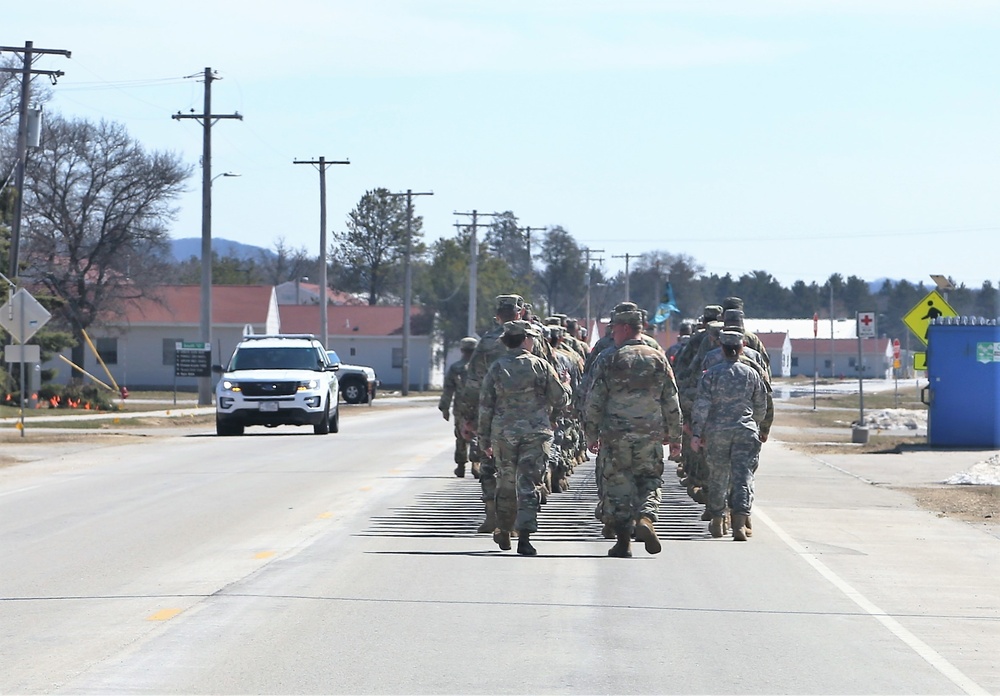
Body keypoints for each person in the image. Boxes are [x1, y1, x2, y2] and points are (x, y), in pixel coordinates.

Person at [584, 309, 683, 558]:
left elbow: (595, 400)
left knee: (619, 486)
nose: (612, 333)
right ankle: (647, 518)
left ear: (626, 328)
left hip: (616, 435)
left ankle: (623, 541)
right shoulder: (658, 358)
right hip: (649, 434)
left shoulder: (610, 358)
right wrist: (675, 436)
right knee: (649, 480)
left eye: (614, 328)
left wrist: (590, 433)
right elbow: (671, 400)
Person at [479, 320, 571, 555]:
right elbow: (560, 399)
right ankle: (525, 538)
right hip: (535, 433)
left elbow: (486, 406)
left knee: (506, 482)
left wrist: (484, 439)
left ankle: (504, 529)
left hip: (504, 433)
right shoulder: (540, 366)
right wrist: (567, 386)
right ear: (525, 339)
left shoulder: (497, 368)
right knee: (529, 484)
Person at [455, 294, 526, 533]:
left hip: (494, 416)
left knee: (489, 464)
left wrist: (467, 417)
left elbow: (472, 383)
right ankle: (516, 519)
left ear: (498, 316)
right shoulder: (532, 339)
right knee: (520, 469)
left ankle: (492, 515)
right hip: (530, 417)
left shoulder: (486, 342)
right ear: (520, 314)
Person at [689, 328, 767, 541]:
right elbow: (761, 404)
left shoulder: (711, 374)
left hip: (717, 432)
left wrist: (697, 433)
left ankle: (717, 519)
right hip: (745, 430)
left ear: (722, 348)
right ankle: (739, 524)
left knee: (718, 476)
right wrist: (756, 424)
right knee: (743, 477)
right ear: (742, 349)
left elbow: (702, 405)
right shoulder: (751, 373)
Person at [439, 336, 479, 478]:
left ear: (462, 350)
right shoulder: (481, 367)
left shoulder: (456, 368)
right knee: (478, 434)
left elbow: (448, 389)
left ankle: (461, 465)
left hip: (461, 408)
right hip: (479, 406)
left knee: (461, 436)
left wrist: (445, 408)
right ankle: (476, 462)